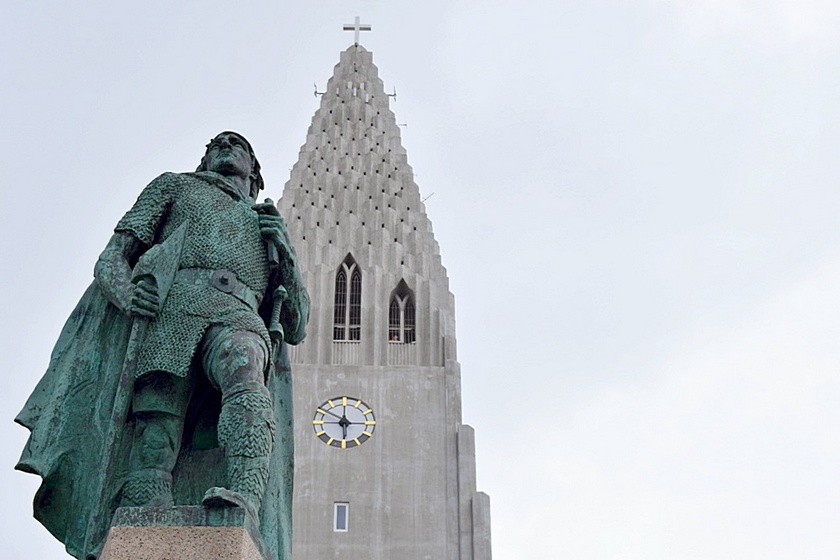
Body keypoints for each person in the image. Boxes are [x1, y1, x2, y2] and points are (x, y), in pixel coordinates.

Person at [15, 132, 309, 560]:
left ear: (254, 170)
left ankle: (244, 493)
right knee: (156, 425)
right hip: (172, 312)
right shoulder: (173, 185)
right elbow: (113, 256)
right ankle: (144, 511)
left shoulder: (266, 221)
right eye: (217, 144)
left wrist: (288, 258)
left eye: (237, 145)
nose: (226, 147)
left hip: (238, 316)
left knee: (245, 373)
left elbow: (297, 323)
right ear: (204, 158)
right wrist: (126, 292)